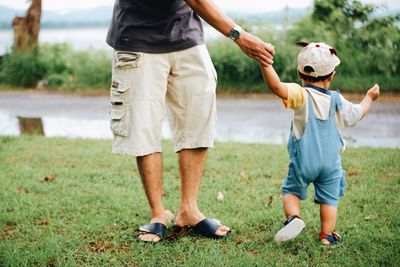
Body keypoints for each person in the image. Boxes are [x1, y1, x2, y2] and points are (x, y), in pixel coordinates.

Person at [106, 0, 275, 242]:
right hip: (138, 38)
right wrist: (239, 35)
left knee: (197, 117)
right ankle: (157, 215)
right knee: (143, 126)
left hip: (187, 37)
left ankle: (189, 210)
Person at [260, 41, 380, 246]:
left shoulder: (300, 95)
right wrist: (369, 97)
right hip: (331, 164)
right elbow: (358, 113)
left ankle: (294, 218)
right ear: (332, 76)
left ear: (299, 74)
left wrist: (265, 63)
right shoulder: (338, 100)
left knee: (291, 191)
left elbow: (276, 86)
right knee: (329, 199)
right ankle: (327, 235)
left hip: (304, 161)